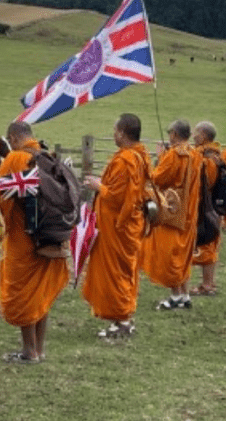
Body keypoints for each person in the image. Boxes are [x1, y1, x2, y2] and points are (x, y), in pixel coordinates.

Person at [0, 121, 69, 362]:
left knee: (25, 294)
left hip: (23, 238)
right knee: (41, 293)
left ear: (14, 138)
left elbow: (0, 200)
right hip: (52, 239)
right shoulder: (47, 157)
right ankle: (40, 348)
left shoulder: (15, 158)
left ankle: (29, 350)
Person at [81, 113, 151, 336]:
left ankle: (122, 320)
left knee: (118, 273)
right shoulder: (139, 156)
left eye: (115, 130)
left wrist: (98, 187)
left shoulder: (127, 160)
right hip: (126, 225)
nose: (113, 134)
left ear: (122, 132)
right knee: (124, 271)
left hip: (119, 227)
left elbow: (120, 197)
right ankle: (122, 317)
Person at [142, 119, 201, 310]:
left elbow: (157, 178)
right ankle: (185, 294)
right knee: (182, 254)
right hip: (190, 212)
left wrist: (160, 158)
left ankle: (175, 296)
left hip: (172, 212)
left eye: (170, 134)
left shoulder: (175, 155)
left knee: (170, 255)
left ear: (174, 134)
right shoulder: (195, 154)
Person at [190, 121, 223, 296]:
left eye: (196, 132)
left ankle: (208, 285)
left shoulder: (209, 157)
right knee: (206, 244)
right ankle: (207, 284)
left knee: (208, 245)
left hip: (207, 207)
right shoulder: (206, 154)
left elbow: (206, 182)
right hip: (204, 206)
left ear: (203, 135)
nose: (193, 136)